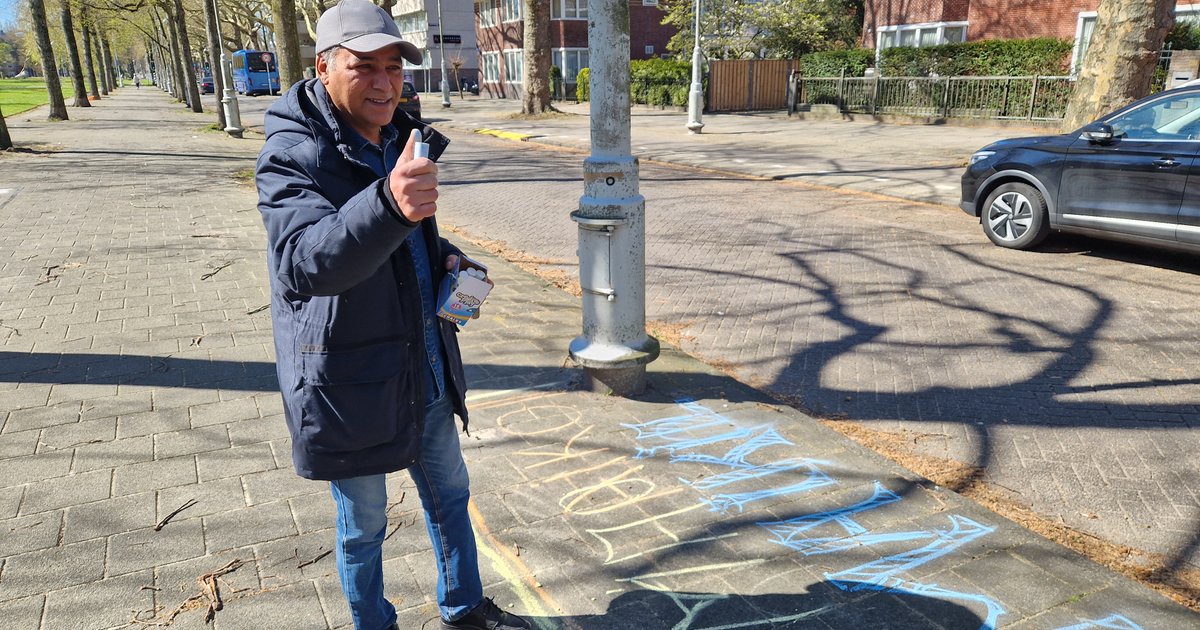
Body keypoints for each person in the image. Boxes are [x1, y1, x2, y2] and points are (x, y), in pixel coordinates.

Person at [253, 1, 531, 629]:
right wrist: (388, 203)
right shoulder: (291, 155)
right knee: (364, 525)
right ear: (324, 67)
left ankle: (464, 610)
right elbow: (305, 264)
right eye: (364, 67)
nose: (383, 83)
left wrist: (448, 262)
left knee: (452, 497)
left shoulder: (401, 136)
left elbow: (406, 241)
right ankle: (373, 622)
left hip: (425, 362)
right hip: (351, 379)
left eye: (393, 68)